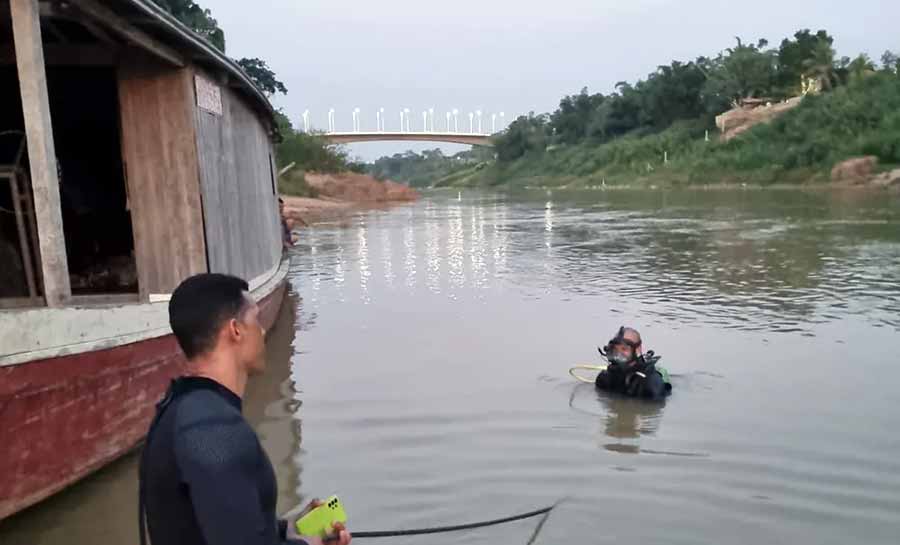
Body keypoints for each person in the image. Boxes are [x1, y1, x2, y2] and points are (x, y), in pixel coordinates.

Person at [139, 273, 351, 545]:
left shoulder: (182, 409)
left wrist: (295, 535)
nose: (262, 331)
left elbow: (219, 523)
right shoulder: (213, 428)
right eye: (256, 320)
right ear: (235, 330)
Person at [595, 326, 671, 400]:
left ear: (638, 349)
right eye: (615, 349)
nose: (618, 354)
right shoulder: (604, 378)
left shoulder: (651, 386)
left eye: (624, 349)